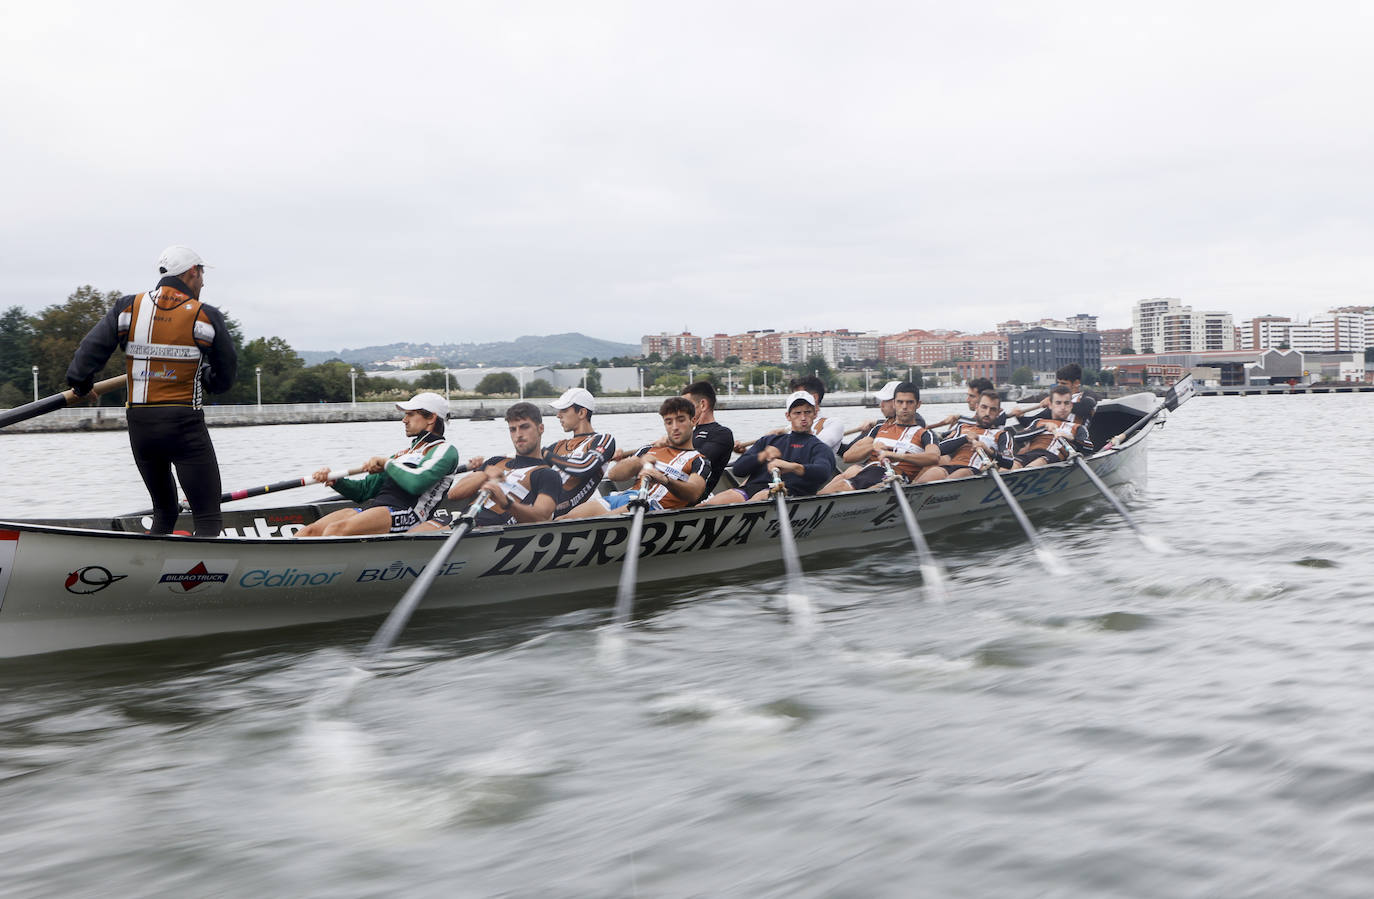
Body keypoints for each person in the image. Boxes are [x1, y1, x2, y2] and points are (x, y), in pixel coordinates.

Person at [65, 246, 237, 537]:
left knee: (164, 511)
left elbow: (87, 355)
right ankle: (203, 578)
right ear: (192, 272)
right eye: (202, 274)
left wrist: (82, 386)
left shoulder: (127, 308)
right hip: (184, 425)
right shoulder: (205, 316)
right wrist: (206, 378)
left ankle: (150, 566)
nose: (204, 283)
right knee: (207, 518)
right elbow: (225, 376)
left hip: (141, 427)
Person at [295, 392, 459, 536]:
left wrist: (387, 464)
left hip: (410, 516)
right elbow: (363, 491)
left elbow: (417, 483)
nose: (404, 420)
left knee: (335, 530)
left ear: (431, 418)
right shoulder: (401, 455)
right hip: (378, 511)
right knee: (308, 532)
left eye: (410, 414)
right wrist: (335, 480)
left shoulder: (444, 451)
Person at [413, 402, 559, 530]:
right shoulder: (496, 462)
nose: (518, 435)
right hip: (461, 518)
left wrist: (506, 503)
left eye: (524, 427)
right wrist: (484, 475)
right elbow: (454, 494)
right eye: (512, 429)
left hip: (488, 527)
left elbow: (541, 517)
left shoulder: (547, 474)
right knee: (414, 533)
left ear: (540, 428)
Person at [562, 397, 710, 518]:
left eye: (681, 420)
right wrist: (640, 461)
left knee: (594, 523)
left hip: (649, 506)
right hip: (625, 497)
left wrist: (663, 479)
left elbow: (694, 492)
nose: (675, 427)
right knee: (564, 519)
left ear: (693, 421)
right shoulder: (650, 449)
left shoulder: (699, 460)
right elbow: (614, 475)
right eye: (669, 422)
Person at [613, 380, 733, 500]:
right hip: (655, 490)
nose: (680, 408)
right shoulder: (685, 433)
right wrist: (629, 458)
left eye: (686, 405)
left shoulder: (722, 434)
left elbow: (695, 459)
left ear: (702, 405)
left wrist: (668, 445)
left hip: (683, 497)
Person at [708, 392, 835, 504]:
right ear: (788, 416)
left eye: (807, 412)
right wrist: (762, 456)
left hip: (788, 493)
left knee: (761, 496)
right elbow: (738, 470)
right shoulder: (770, 440)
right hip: (751, 489)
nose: (803, 418)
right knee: (714, 502)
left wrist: (792, 467)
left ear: (814, 414)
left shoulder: (819, 447)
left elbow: (823, 472)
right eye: (797, 413)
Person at [821, 381, 938, 493]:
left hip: (894, 477)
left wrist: (897, 456)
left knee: (842, 484)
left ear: (918, 404)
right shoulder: (879, 428)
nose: (904, 407)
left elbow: (933, 457)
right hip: (870, 471)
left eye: (910, 402)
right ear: (894, 404)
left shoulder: (926, 434)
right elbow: (847, 457)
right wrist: (872, 447)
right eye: (900, 402)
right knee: (840, 479)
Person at [544, 387, 617, 516]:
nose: (558, 415)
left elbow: (584, 467)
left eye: (564, 410)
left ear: (582, 413)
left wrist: (547, 456)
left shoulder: (603, 440)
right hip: (545, 510)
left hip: (577, 514)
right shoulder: (558, 446)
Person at [916, 389, 1014, 483]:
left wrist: (988, 450)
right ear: (977, 407)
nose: (987, 413)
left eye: (992, 410)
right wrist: (965, 438)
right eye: (984, 407)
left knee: (956, 476)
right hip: (951, 466)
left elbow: (1008, 461)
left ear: (998, 413)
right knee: (928, 476)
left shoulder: (1002, 435)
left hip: (975, 471)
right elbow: (939, 450)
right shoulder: (962, 427)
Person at [732, 375, 844, 455]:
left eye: (799, 396)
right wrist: (747, 453)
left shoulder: (832, 423)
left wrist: (779, 444)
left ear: (814, 398)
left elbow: (814, 449)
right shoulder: (788, 429)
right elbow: (763, 459)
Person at [1011, 385, 1095, 468]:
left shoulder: (1078, 427)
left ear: (1071, 406)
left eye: (1066, 403)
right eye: (1058, 403)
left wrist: (1071, 438)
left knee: (1038, 462)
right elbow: (1017, 437)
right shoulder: (1039, 421)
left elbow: (1089, 448)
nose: (1062, 407)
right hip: (1030, 454)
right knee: (1010, 466)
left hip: (1050, 458)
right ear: (1050, 405)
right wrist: (1043, 428)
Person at [1008, 363, 1098, 423]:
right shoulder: (1055, 404)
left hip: (1079, 441)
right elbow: (1031, 422)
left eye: (1063, 383)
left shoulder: (1087, 395)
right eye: (1058, 382)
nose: (1059, 386)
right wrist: (1019, 417)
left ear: (1076, 383)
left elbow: (1087, 407)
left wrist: (1057, 404)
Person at [929, 377, 1001, 431]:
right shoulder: (967, 422)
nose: (967, 400)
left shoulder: (997, 418)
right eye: (968, 395)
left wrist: (960, 418)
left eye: (972, 396)